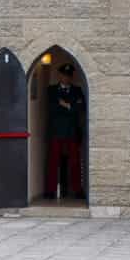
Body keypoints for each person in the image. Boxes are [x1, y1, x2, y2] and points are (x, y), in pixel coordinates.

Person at [45, 63, 86, 199]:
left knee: (75, 162)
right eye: (64, 75)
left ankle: (77, 189)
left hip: (72, 131)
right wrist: (71, 107)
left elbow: (80, 109)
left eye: (69, 75)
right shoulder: (51, 90)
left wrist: (65, 105)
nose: (66, 78)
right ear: (60, 75)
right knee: (53, 161)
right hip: (56, 131)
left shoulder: (77, 90)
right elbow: (52, 109)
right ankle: (50, 190)